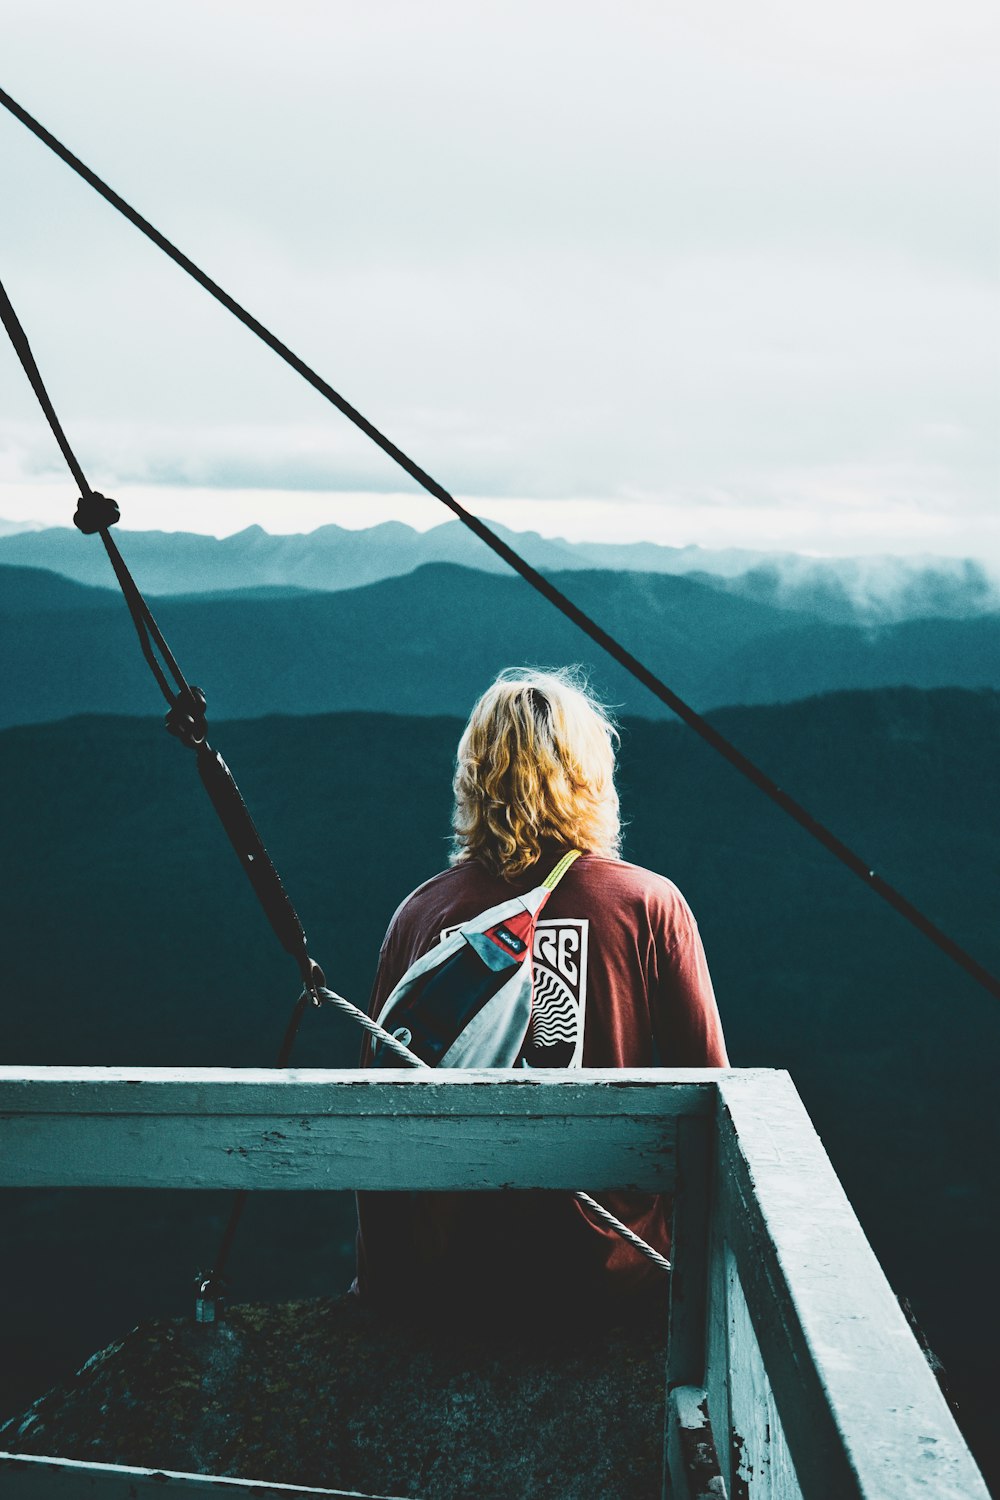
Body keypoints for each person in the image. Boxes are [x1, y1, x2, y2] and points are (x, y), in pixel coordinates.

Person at [354, 666, 728, 1326]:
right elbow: (714, 1097)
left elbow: (376, 1106)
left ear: (474, 776)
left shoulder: (420, 916)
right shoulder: (647, 905)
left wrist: (381, 1279)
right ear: (591, 775)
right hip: (611, 1271)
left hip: (455, 1274)